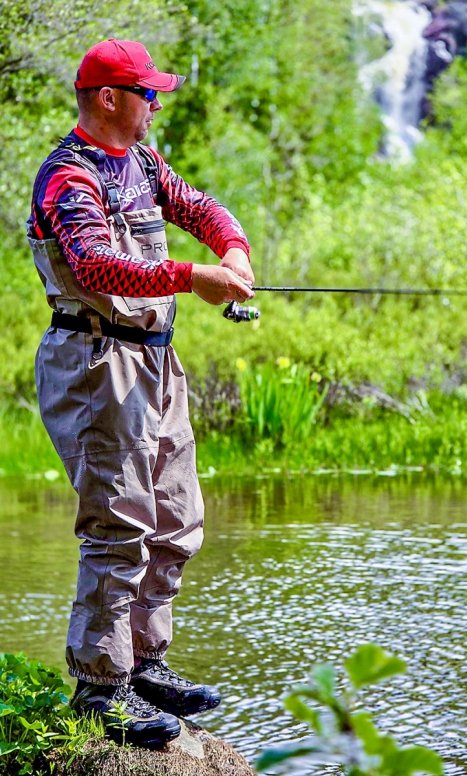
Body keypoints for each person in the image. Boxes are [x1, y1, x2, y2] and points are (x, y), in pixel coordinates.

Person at [27, 38, 255, 748]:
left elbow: (199, 206)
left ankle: (143, 664)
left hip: (158, 363)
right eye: (147, 93)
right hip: (96, 363)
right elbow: (97, 262)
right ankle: (100, 686)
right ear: (108, 98)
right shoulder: (67, 178)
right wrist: (194, 278)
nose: (157, 104)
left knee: (178, 521)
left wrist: (234, 251)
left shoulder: (142, 163)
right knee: (119, 525)